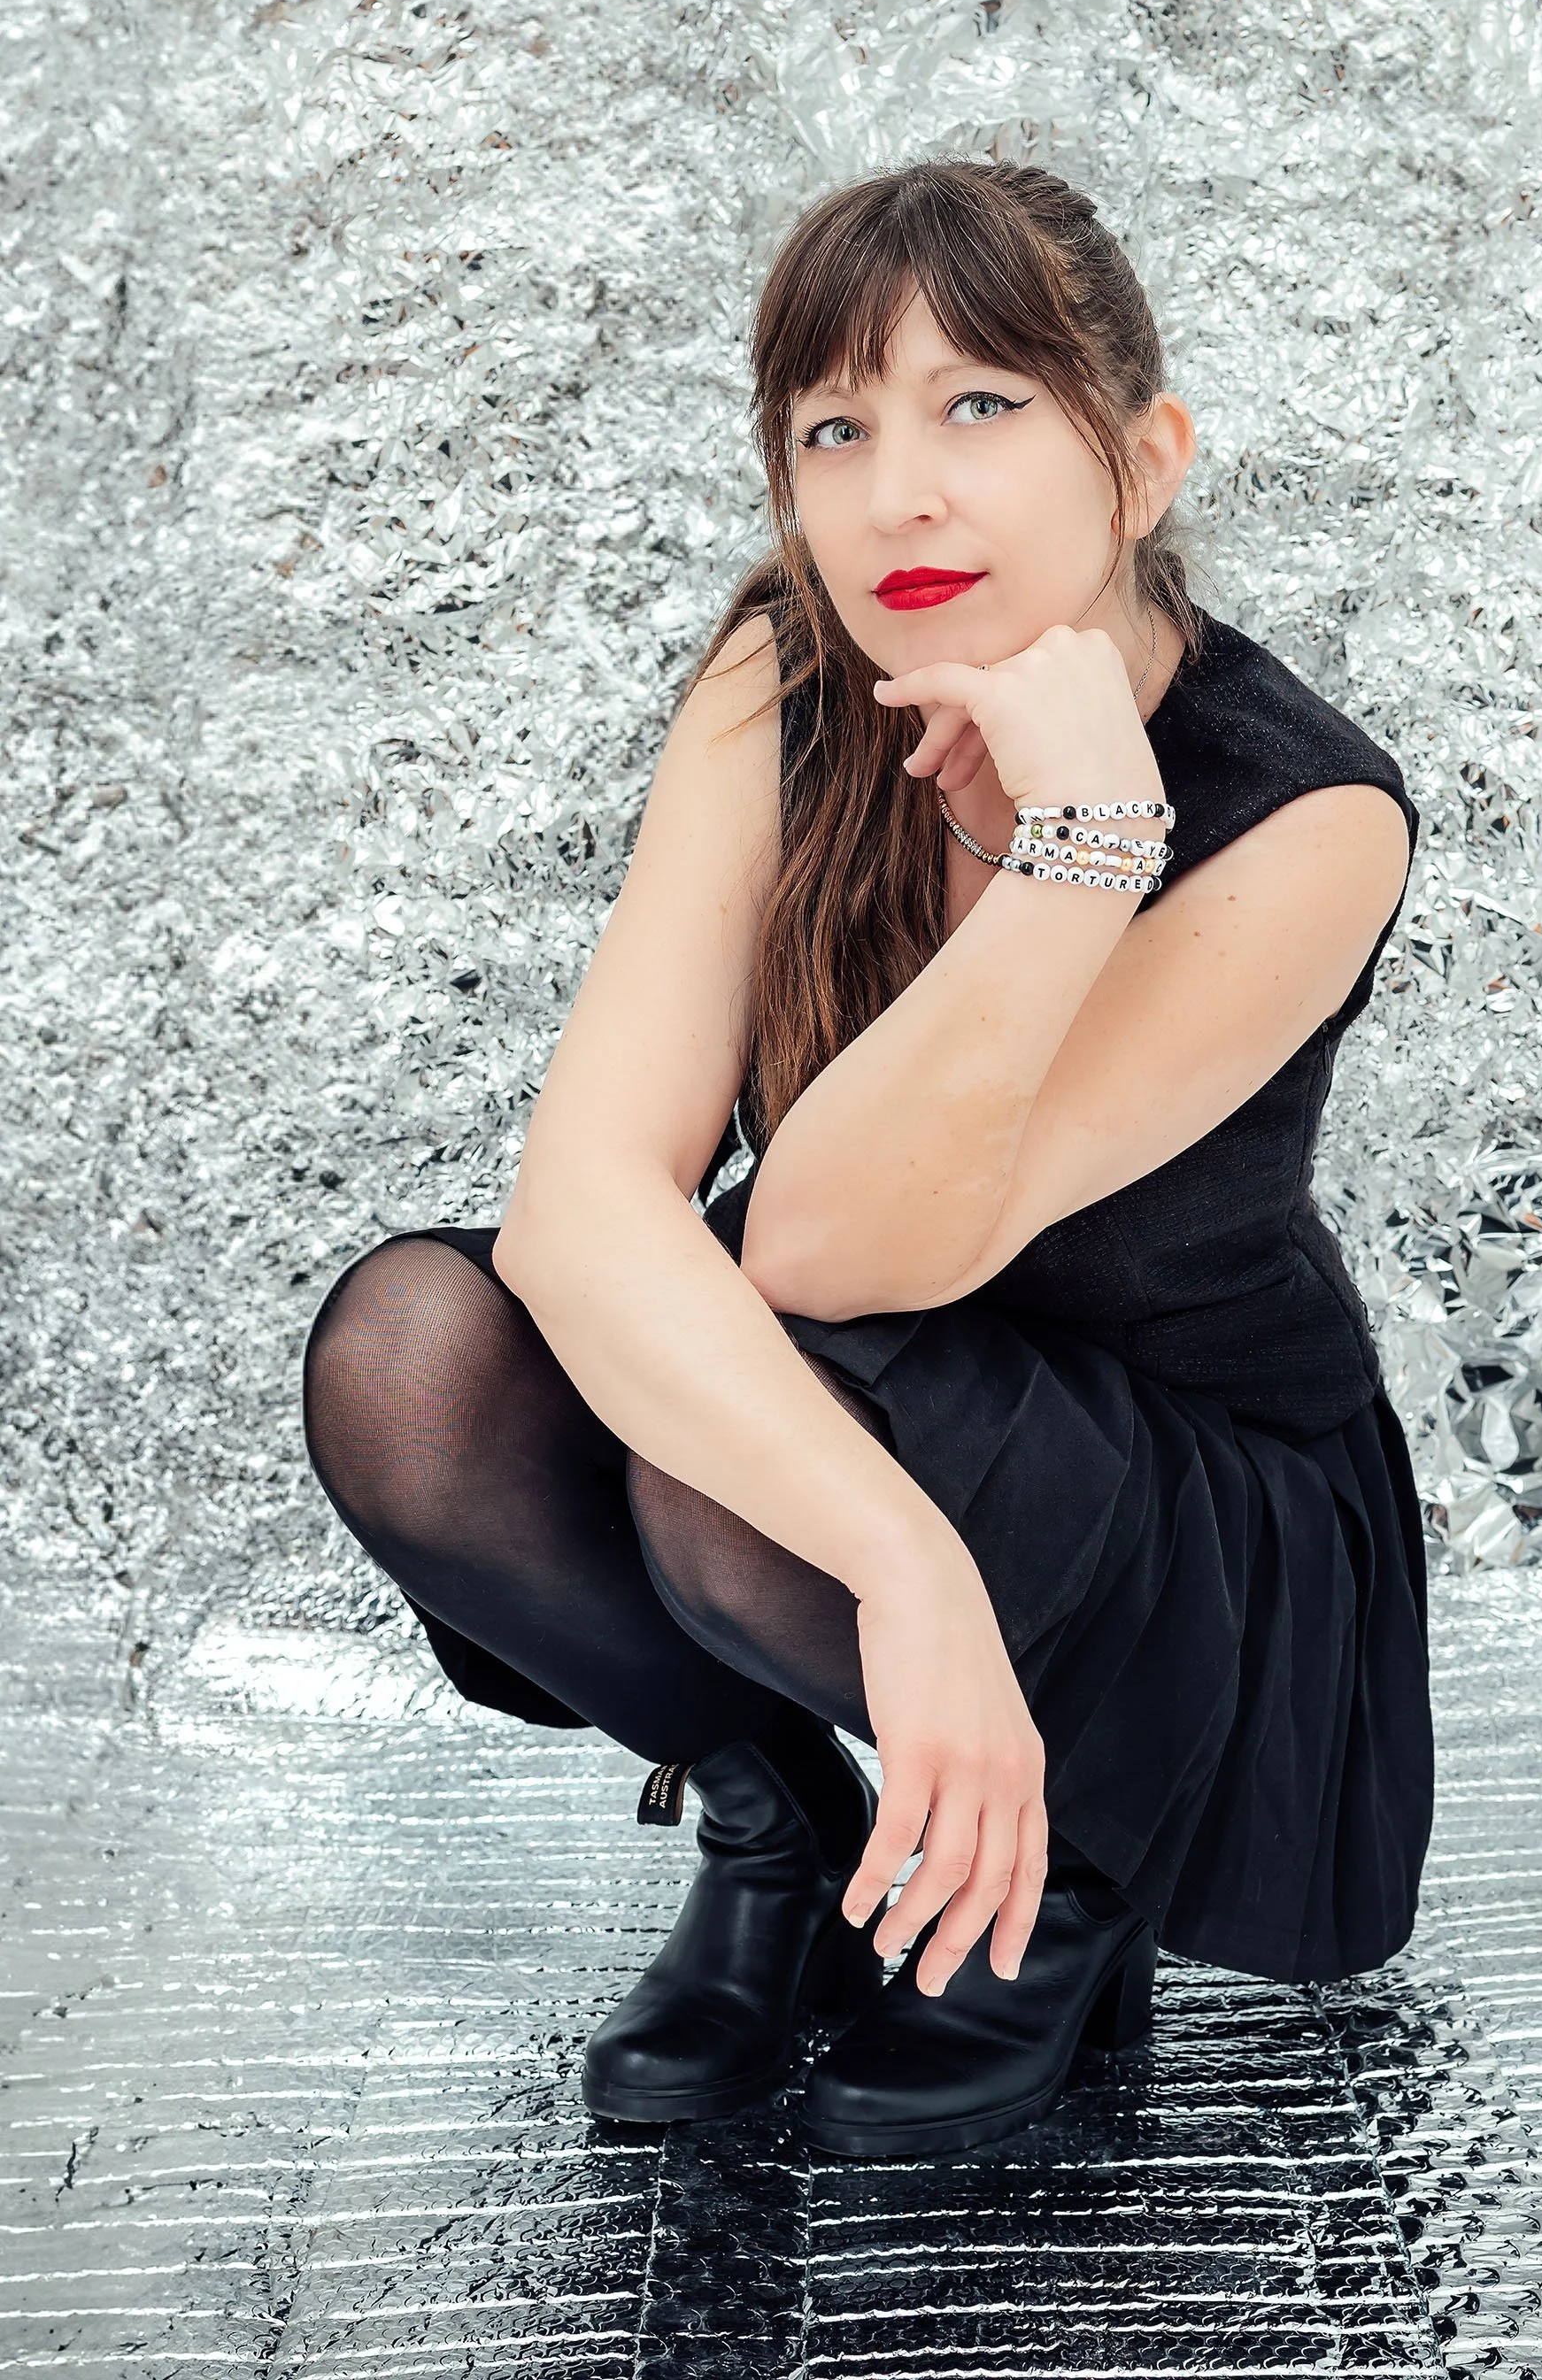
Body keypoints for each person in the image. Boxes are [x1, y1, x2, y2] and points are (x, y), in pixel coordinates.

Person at [301, 158, 1435, 2161]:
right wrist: (907, 1573)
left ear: (1143, 459)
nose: (898, 488)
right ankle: (779, 1820)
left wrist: (1081, 845)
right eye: (835, 425)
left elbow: (828, 1245)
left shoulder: (1311, 818)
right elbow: (587, 1204)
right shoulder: (780, 674)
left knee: (737, 1437)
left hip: (1195, 1534)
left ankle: (1052, 1886)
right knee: (419, 1355)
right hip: (892, 1444)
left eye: (978, 404)